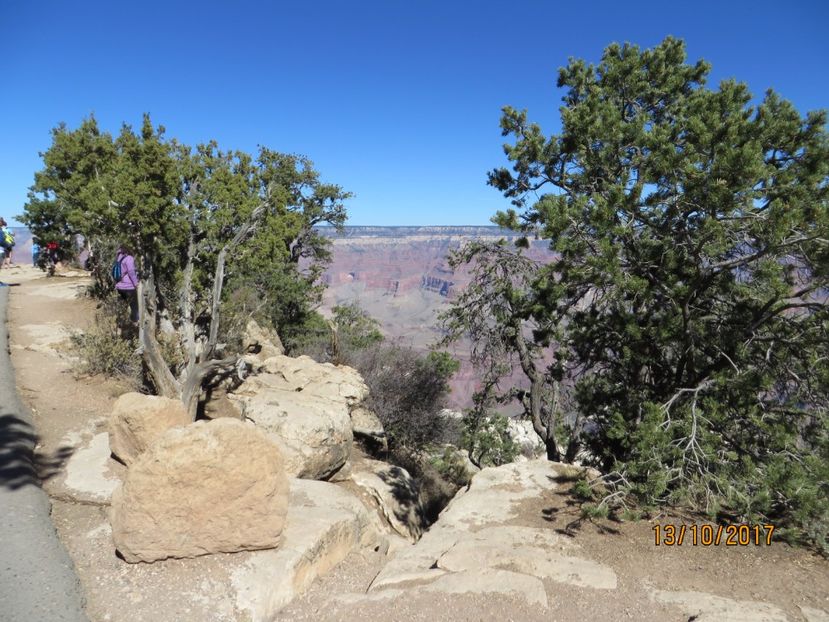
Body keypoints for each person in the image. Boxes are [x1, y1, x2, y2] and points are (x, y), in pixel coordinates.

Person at [114, 245, 139, 323]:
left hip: (119, 287)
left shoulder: (118, 259)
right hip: (129, 287)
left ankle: (121, 323)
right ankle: (135, 323)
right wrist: (136, 284)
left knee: (122, 306)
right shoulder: (129, 258)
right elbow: (131, 272)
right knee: (134, 306)